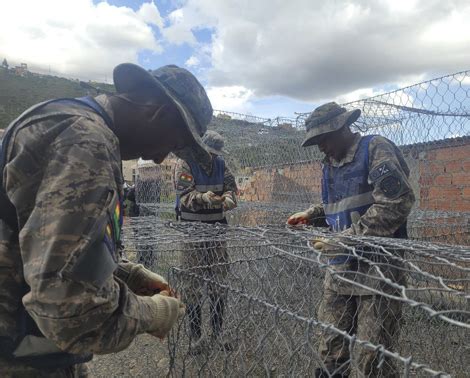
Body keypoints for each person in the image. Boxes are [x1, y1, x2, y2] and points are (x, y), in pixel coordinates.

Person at [0, 63, 214, 376]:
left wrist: (125, 273)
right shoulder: (86, 142)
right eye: (175, 145)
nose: (160, 158)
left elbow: (36, 238)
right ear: (162, 115)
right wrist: (152, 314)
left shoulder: (64, 118)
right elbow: (71, 312)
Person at [287, 102, 415, 377]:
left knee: (373, 358)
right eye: (316, 141)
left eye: (324, 139)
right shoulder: (329, 164)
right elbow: (339, 206)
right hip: (340, 270)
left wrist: (344, 240)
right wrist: (312, 215)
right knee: (330, 348)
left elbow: (396, 203)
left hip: (378, 273)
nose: (321, 147)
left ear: (343, 128)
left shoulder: (375, 148)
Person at [174, 130, 238, 354]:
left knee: (219, 283)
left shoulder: (221, 164)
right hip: (192, 233)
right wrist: (202, 197)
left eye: (214, 154)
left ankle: (218, 334)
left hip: (217, 232)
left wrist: (230, 198)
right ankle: (197, 337)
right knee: (192, 285)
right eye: (209, 152)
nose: (211, 157)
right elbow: (183, 196)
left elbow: (231, 188)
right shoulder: (186, 164)